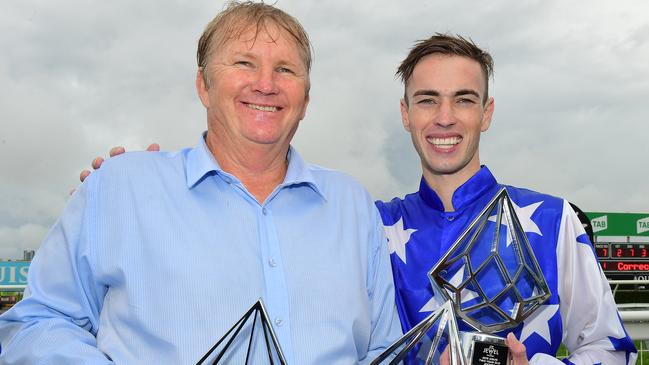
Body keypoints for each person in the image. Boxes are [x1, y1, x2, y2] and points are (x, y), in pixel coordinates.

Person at [0, 2, 402, 364]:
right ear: (203, 86)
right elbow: (38, 322)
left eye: (285, 69)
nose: (266, 83)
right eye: (244, 63)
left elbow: (383, 349)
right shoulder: (118, 188)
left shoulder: (352, 205)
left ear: (306, 98)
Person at [376, 34, 637, 364]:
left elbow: (611, 351)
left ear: (487, 113)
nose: (445, 117)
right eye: (428, 100)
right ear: (405, 113)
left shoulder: (554, 219)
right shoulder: (373, 226)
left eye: (464, 100)